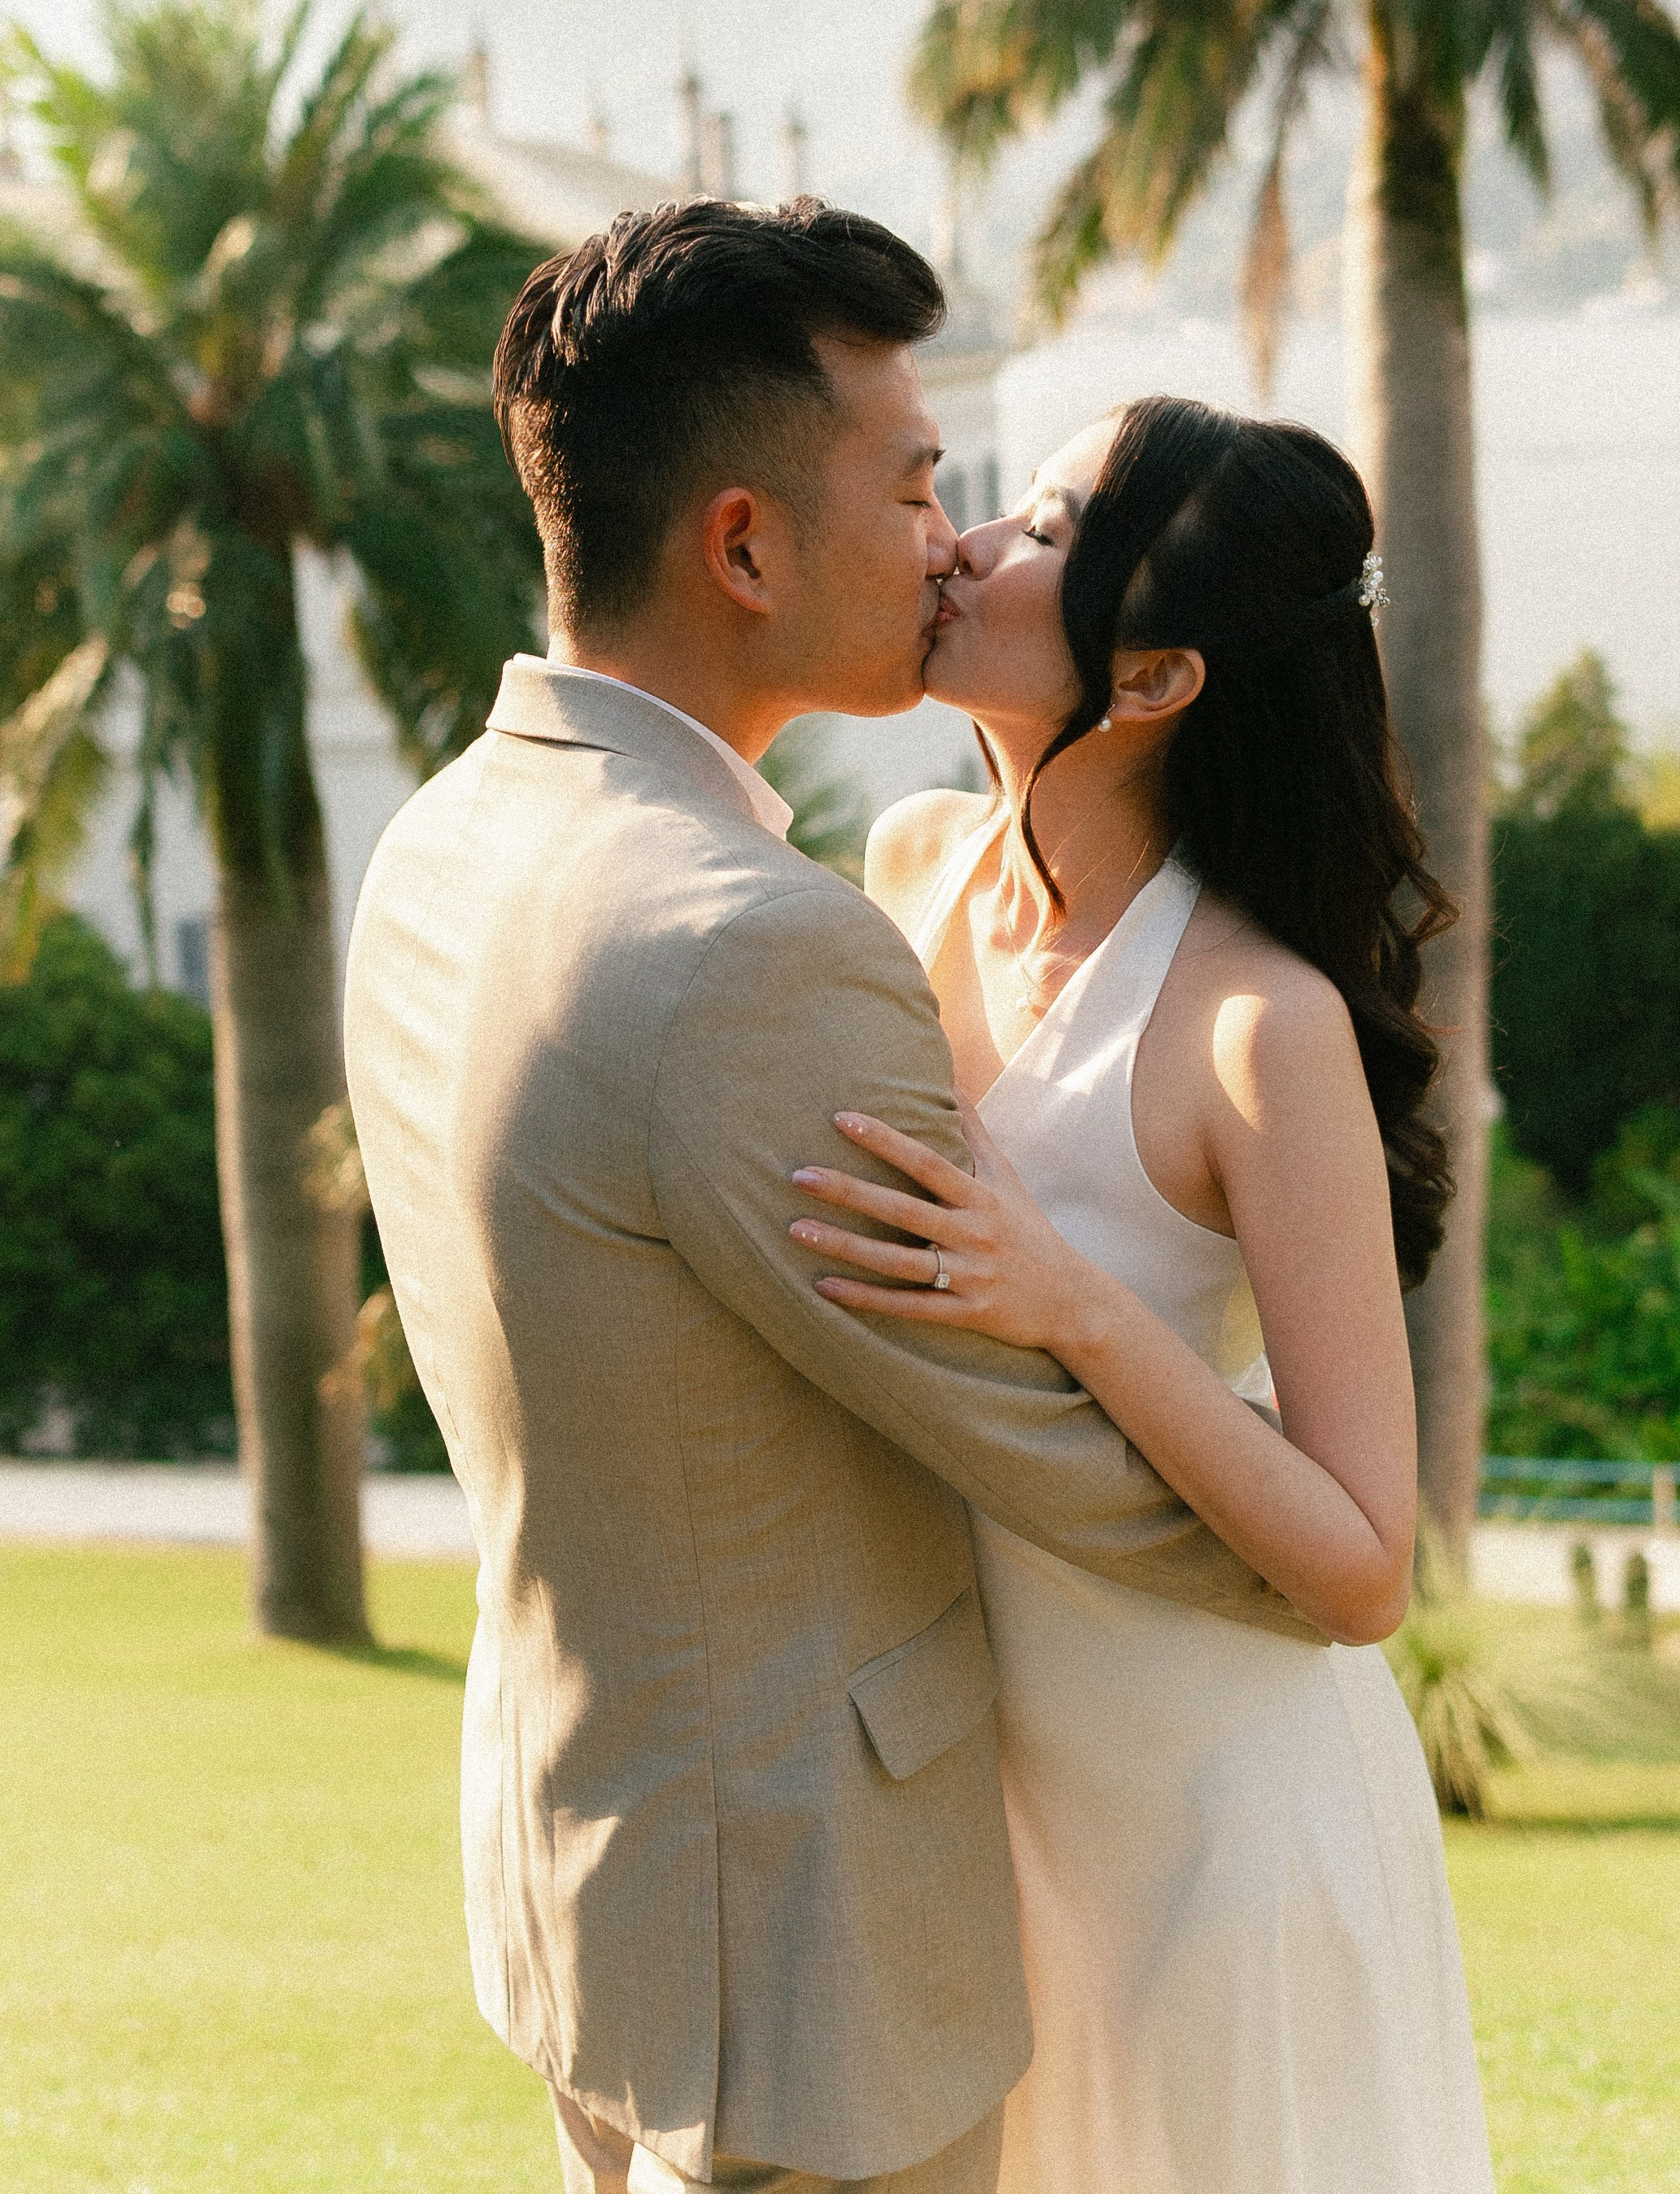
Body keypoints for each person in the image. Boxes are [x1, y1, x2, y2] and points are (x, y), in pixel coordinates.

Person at [343, 207, 1315, 2194]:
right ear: (743, 546)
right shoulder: (754, 950)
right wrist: (1318, 1573)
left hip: (589, 1873)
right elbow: (1034, 1446)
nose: (947, 538)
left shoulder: (444, 838)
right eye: (913, 481)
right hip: (800, 1955)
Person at [791, 396, 1497, 2194]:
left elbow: (1360, 1565)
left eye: (1038, 531)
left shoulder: (1260, 1030)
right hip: (988, 1807)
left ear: (1158, 676)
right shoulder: (909, 877)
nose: (961, 543)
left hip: (1217, 1829)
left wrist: (1075, 1305)